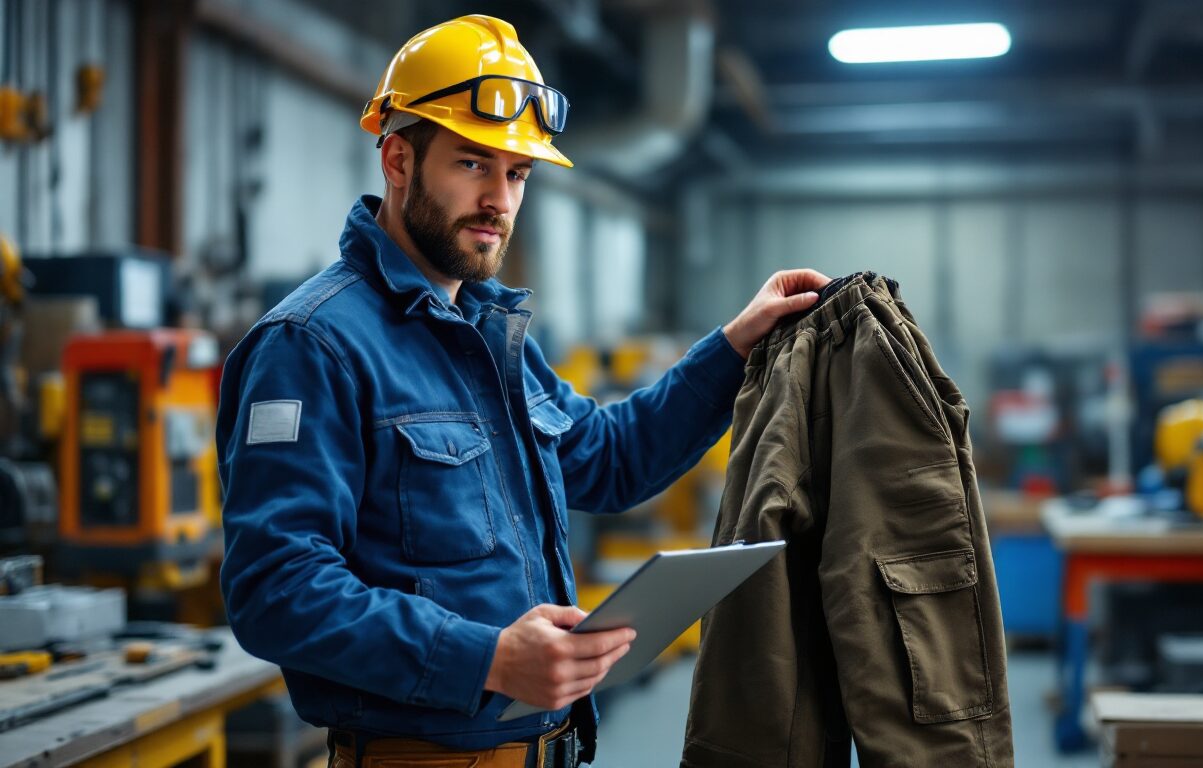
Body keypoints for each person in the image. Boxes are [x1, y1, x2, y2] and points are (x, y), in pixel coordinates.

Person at [216, 14, 828, 768]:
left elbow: (609, 459)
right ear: (399, 158)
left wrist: (737, 346)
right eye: (474, 164)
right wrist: (488, 659)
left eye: (516, 175)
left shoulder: (485, 329)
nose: (499, 201)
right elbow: (277, 590)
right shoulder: (312, 345)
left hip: (551, 750)